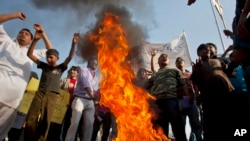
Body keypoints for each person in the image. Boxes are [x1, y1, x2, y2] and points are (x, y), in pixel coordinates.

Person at [0, 12, 52, 140]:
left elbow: (52, 53)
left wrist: (43, 34)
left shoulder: (31, 52)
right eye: (21, 32)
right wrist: (16, 15)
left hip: (12, 100)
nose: (23, 34)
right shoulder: (6, 42)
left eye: (27, 34)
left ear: (30, 40)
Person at [24, 29, 79, 141]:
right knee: (31, 119)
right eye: (48, 57)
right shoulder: (43, 65)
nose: (49, 59)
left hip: (52, 96)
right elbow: (29, 54)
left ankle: (41, 139)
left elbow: (69, 58)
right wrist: (34, 40)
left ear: (57, 58)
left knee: (46, 120)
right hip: (40, 93)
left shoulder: (60, 68)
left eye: (52, 57)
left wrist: (73, 44)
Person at [191, 44, 236, 141]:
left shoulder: (218, 61)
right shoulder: (197, 66)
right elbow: (195, 81)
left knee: (232, 118)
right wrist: (197, 70)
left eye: (207, 49)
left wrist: (235, 62)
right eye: (203, 49)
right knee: (212, 123)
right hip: (209, 98)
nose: (206, 50)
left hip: (226, 92)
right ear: (198, 53)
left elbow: (229, 71)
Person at [147, 53, 188, 141]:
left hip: (171, 100)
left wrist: (187, 99)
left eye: (166, 56)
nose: (164, 57)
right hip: (157, 103)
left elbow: (183, 84)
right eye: (161, 57)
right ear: (158, 62)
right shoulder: (155, 74)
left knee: (177, 125)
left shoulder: (175, 70)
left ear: (169, 61)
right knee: (161, 129)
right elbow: (145, 84)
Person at [65, 56, 98, 141]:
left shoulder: (95, 75)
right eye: (93, 61)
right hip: (80, 100)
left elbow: (92, 88)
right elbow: (86, 86)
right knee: (74, 124)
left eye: (96, 62)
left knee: (89, 126)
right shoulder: (84, 71)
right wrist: (93, 96)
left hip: (90, 102)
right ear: (89, 62)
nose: (95, 63)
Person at [47, 66, 80, 141]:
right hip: (61, 106)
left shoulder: (79, 84)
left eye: (74, 70)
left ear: (78, 73)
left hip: (72, 107)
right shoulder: (64, 80)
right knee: (56, 124)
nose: (72, 71)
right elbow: (57, 89)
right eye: (71, 70)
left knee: (68, 125)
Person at [175, 57, 203, 141]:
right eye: (177, 61)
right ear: (175, 64)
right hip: (180, 100)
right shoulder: (174, 74)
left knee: (195, 122)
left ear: (184, 63)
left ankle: (198, 139)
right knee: (181, 124)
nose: (179, 62)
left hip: (191, 99)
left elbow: (195, 85)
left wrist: (198, 96)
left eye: (181, 60)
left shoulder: (190, 74)